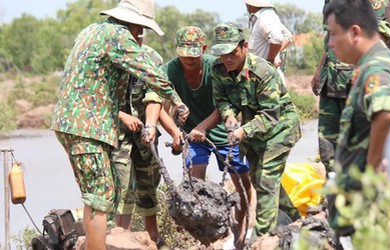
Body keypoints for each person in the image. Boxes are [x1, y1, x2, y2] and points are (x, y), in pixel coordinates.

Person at [50, 0, 188, 249]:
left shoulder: (92, 30)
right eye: (140, 29)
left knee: (98, 194)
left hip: (72, 122)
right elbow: (152, 74)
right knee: (101, 197)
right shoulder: (118, 35)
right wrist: (177, 102)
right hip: (87, 124)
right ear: (133, 22)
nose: (139, 35)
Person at [210, 22, 302, 244]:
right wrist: (229, 116)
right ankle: (298, 223)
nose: (227, 60)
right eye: (223, 55)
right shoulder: (218, 70)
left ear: (244, 47)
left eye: (231, 53)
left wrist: (243, 130)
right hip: (252, 129)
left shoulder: (262, 71)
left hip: (280, 127)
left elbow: (271, 115)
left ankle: (262, 239)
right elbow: (222, 101)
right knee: (261, 179)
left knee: (266, 180)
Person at [162, 26, 252, 248]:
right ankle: (203, 237)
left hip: (221, 131)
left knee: (242, 181)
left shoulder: (216, 66)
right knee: (194, 184)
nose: (188, 59)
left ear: (203, 49)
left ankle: (242, 230)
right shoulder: (170, 70)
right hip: (192, 135)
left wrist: (203, 127)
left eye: (194, 55)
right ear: (177, 50)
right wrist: (174, 132)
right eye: (183, 55)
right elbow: (159, 107)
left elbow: (225, 104)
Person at [324, 0, 390, 237]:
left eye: (334, 35)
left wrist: (369, 176)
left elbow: (386, 114)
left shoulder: (376, 67)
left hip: (370, 211)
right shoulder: (368, 65)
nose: (331, 44)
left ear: (355, 32)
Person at [112, 34, 181, 248]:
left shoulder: (152, 58)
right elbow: (99, 101)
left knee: (148, 185)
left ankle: (153, 240)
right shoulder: (111, 57)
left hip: (145, 135)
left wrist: (165, 129)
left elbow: (155, 98)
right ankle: (122, 239)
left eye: (139, 35)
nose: (136, 39)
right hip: (117, 135)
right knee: (122, 186)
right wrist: (122, 117)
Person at [311, 0, 354, 175]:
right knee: (326, 142)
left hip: (352, 82)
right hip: (330, 81)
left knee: (355, 141)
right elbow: (330, 37)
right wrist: (319, 69)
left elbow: (383, 35)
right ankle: (334, 192)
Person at [242, 0, 293, 76]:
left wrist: (270, 61)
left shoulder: (265, 18)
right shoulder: (265, 15)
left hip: (265, 76)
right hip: (261, 73)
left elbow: (277, 40)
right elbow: (287, 36)